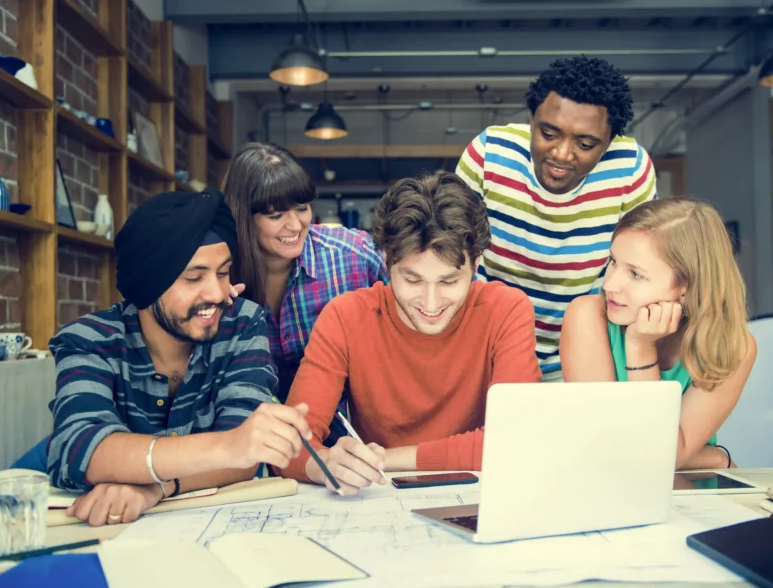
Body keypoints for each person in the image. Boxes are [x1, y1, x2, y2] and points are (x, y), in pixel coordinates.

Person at [45, 188, 312, 526]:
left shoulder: (242, 325)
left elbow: (246, 456)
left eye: (223, 272)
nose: (217, 293)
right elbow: (79, 447)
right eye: (193, 278)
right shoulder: (90, 339)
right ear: (148, 283)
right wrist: (229, 446)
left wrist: (157, 486)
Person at [275, 171, 542, 494]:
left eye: (448, 281)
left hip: (479, 495)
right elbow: (289, 445)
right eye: (412, 280)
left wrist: (385, 459)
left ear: (476, 264)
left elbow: (516, 438)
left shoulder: (506, 309)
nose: (431, 303)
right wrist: (325, 464)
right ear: (386, 261)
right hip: (377, 498)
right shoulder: (345, 317)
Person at [455, 56, 656, 381]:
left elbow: (641, 268)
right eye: (548, 133)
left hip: (586, 351)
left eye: (585, 143)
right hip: (487, 344)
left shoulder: (631, 169)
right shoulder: (489, 153)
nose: (562, 154)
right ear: (532, 120)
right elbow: (454, 256)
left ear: (608, 143)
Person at [558, 197, 756, 470]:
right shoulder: (587, 316)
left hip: (697, 499)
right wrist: (712, 458)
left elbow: (662, 456)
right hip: (611, 493)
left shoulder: (733, 346)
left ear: (687, 286)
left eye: (636, 275)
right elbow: (604, 449)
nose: (610, 284)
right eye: (613, 261)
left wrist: (640, 347)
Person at [222, 142, 386, 401]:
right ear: (244, 217)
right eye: (276, 216)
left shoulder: (355, 255)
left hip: (346, 431)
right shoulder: (219, 273)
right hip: (249, 429)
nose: (296, 225)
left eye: (302, 208)